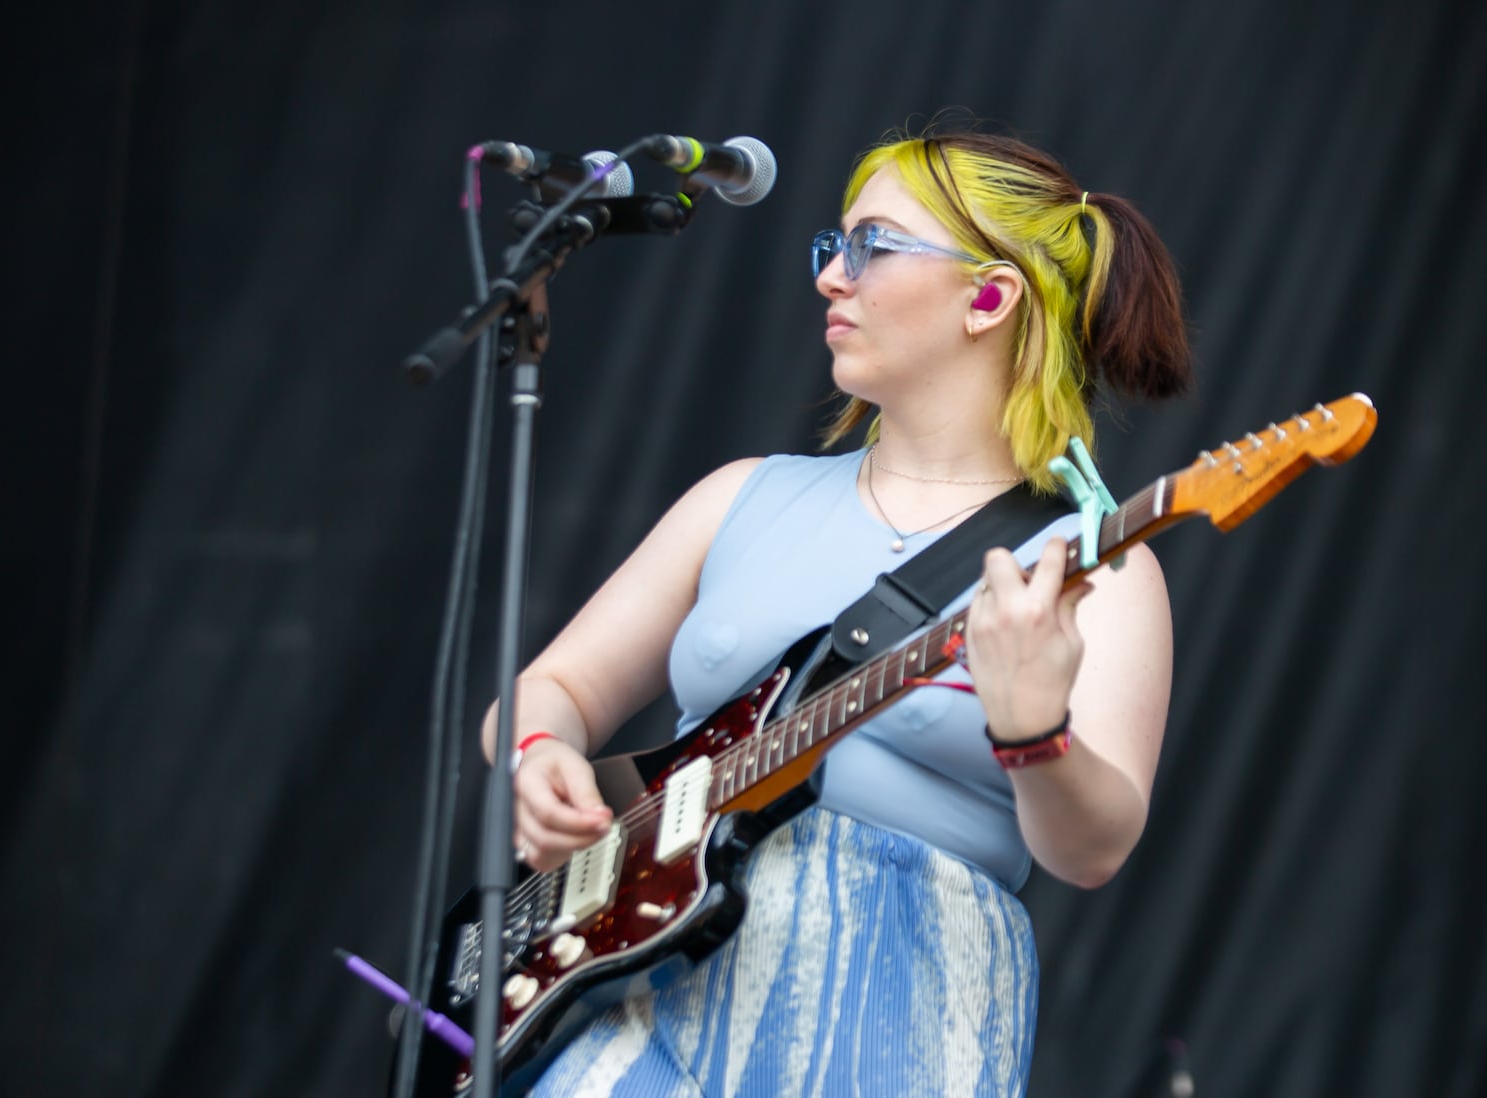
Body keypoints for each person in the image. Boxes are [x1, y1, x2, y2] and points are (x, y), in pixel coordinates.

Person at [483, 123, 1193, 1096]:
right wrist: (538, 755)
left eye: (872, 247)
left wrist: (1033, 736)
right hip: (644, 993)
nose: (830, 277)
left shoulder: (1094, 567)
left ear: (988, 298)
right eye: (834, 245)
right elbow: (546, 690)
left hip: (898, 1026)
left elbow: (1093, 849)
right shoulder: (740, 496)